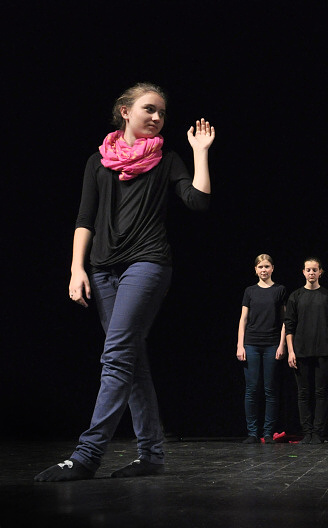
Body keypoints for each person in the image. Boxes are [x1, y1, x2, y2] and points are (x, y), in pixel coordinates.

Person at [35, 83, 215, 482]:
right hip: (102, 270)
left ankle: (87, 455)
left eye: (162, 113)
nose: (157, 117)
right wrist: (76, 269)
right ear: (125, 111)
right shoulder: (98, 162)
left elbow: (198, 200)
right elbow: (84, 219)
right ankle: (151, 455)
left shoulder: (167, 159)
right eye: (149, 109)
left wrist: (200, 152)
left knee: (117, 355)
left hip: (147, 264)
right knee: (132, 360)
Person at [285, 258, 328, 444]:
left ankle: (318, 433)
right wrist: (291, 351)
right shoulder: (296, 296)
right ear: (303, 272)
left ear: (320, 272)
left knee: (321, 393)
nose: (311, 273)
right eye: (308, 270)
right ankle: (307, 432)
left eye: (315, 269)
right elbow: (289, 326)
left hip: (323, 350)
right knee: (303, 393)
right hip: (301, 351)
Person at [236, 254, 287, 444]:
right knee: (252, 389)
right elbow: (243, 319)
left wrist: (282, 344)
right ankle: (252, 433)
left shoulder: (279, 290)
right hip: (251, 343)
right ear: (255, 270)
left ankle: (268, 432)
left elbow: (285, 321)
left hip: (272, 344)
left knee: (270, 389)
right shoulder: (250, 291)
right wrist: (240, 345)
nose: (263, 270)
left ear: (272, 268)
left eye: (266, 266)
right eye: (260, 267)